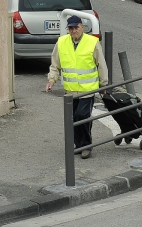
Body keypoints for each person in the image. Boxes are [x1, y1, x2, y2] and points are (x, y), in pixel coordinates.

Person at [45, 15, 108, 159]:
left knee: (82, 116)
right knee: (74, 118)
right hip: (70, 90)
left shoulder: (92, 42)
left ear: (82, 27)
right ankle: (79, 145)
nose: (74, 31)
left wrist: (103, 84)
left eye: (76, 27)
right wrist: (51, 80)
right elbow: (55, 65)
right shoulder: (62, 42)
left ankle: (86, 146)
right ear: (68, 29)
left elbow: (101, 65)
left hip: (88, 89)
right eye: (71, 28)